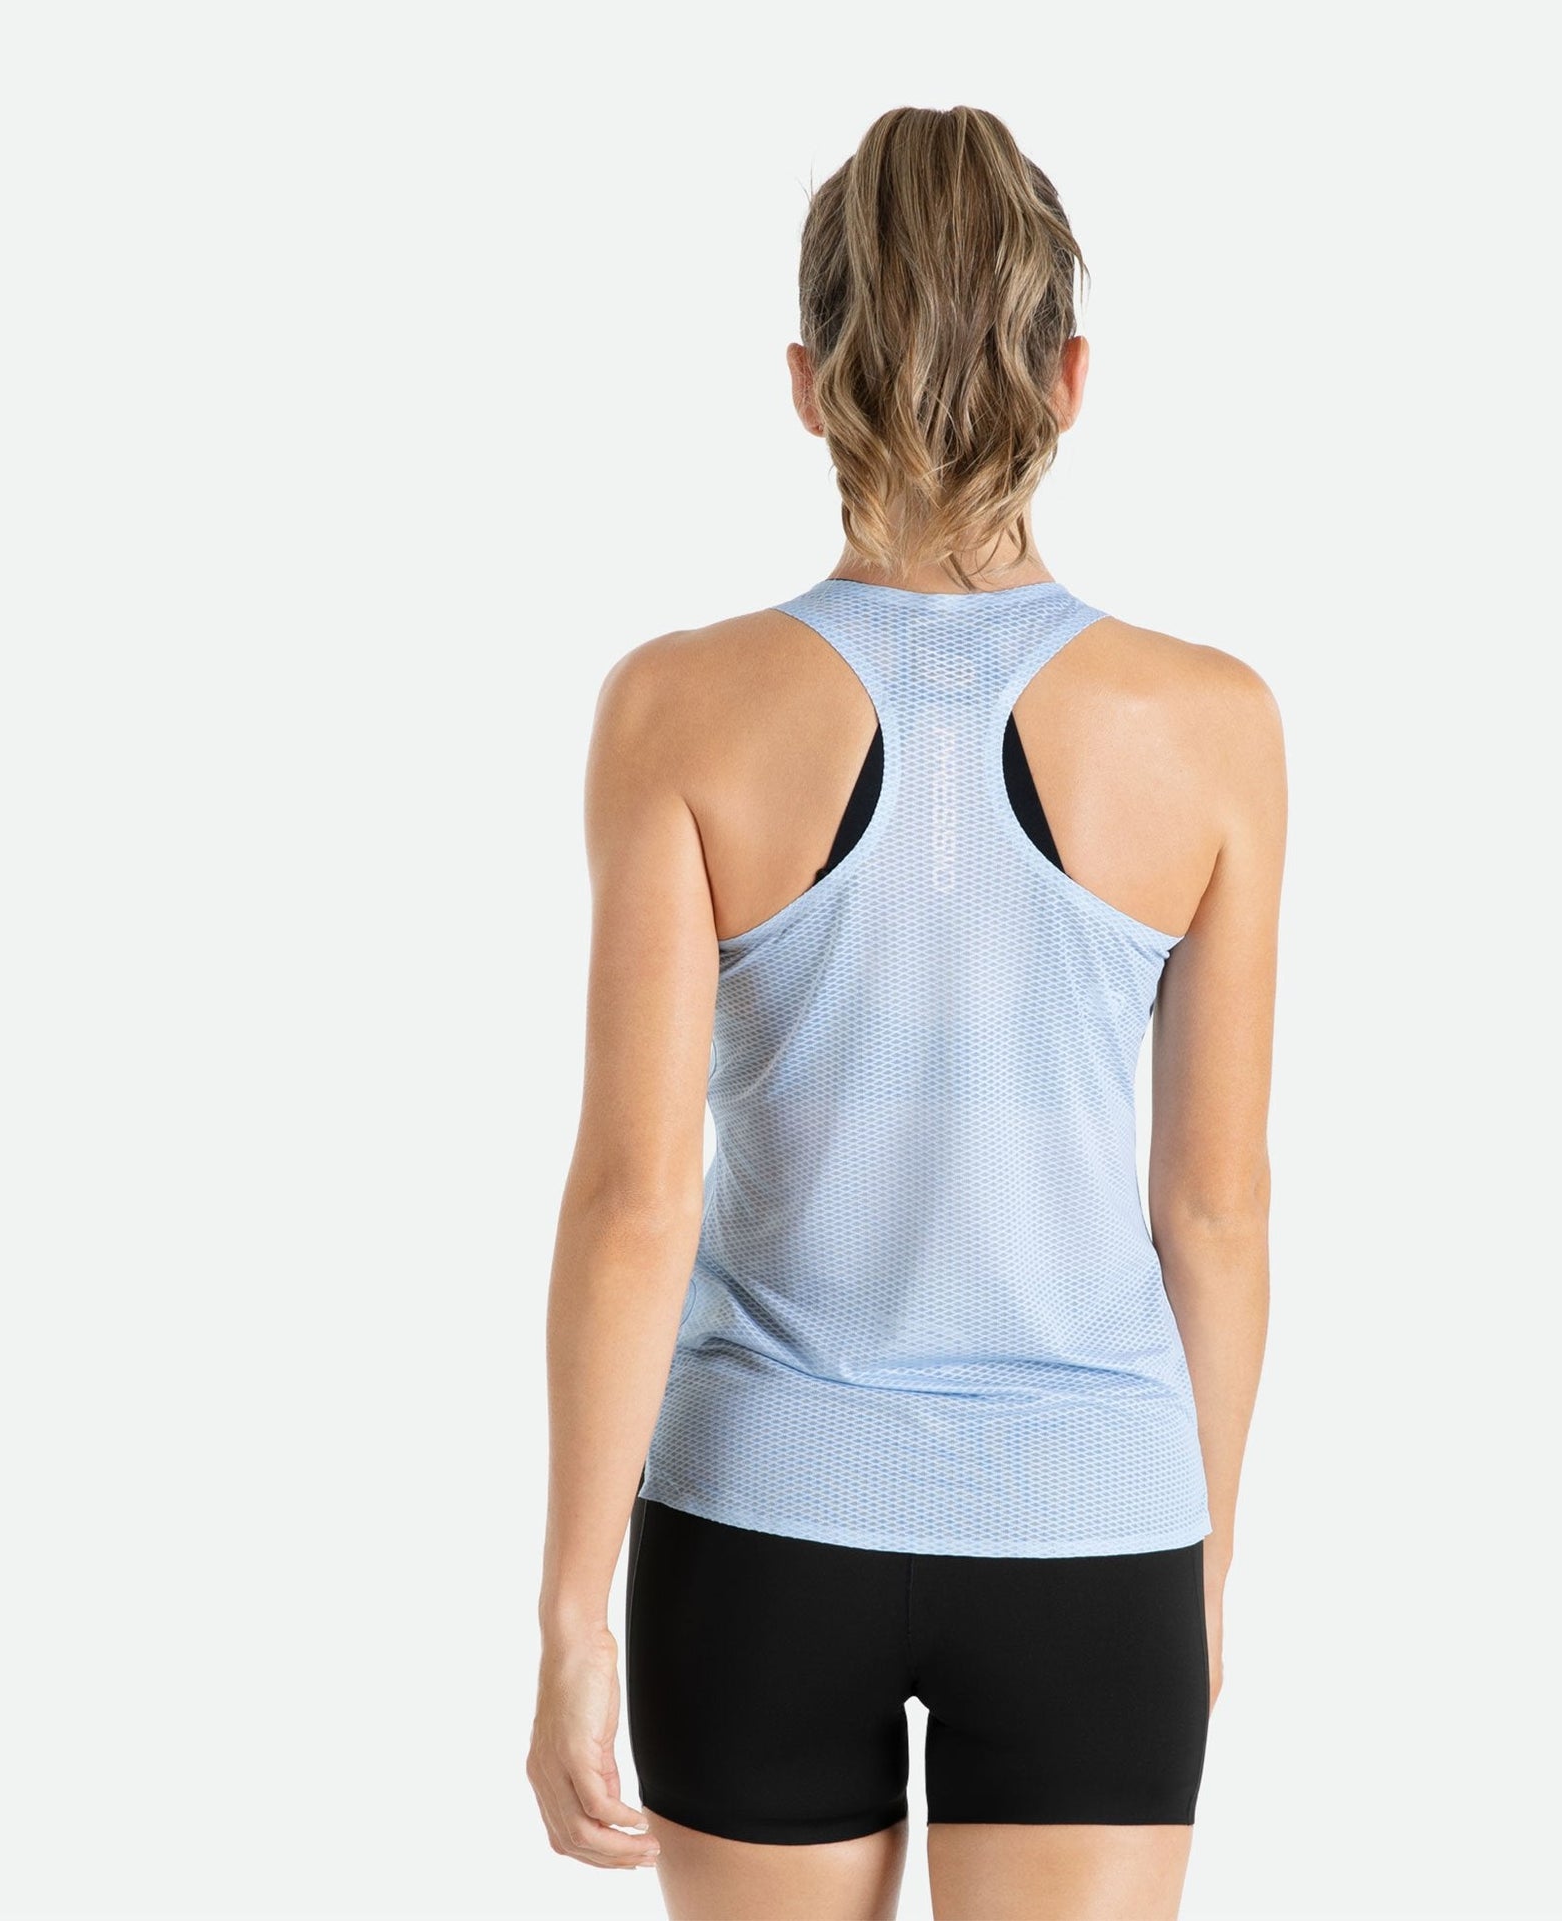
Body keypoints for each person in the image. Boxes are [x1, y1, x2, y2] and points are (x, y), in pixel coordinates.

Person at [527, 104, 1285, 1921]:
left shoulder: (676, 708)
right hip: (1091, 1521)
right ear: (1071, 378)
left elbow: (635, 1200)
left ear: (807, 386)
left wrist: (569, 1608)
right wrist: (1196, 1557)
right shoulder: (1211, 726)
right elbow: (1213, 1206)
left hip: (757, 1528)